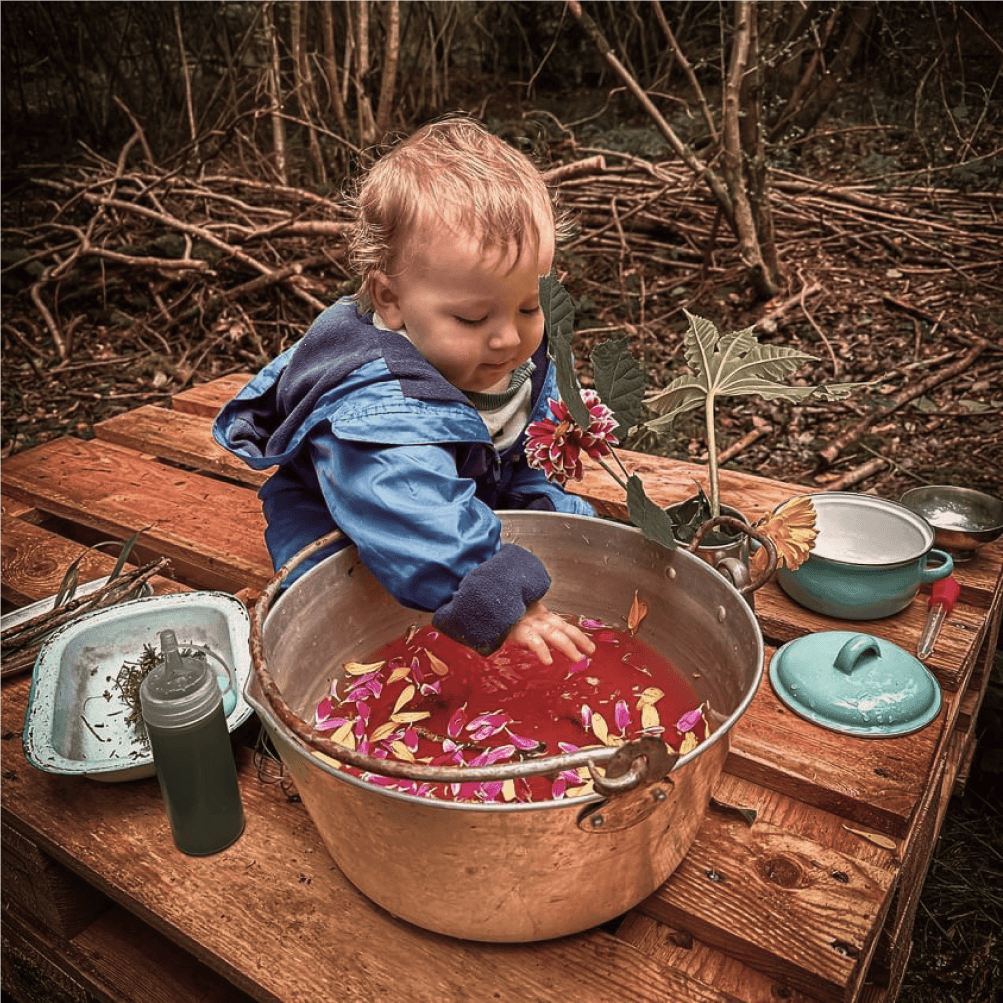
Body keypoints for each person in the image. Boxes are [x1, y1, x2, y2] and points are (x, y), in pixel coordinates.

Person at [213, 117, 595, 665]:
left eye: (529, 306)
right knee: (360, 626)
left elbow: (528, 447)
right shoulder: (378, 401)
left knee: (569, 540)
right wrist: (500, 594)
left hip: (470, 492)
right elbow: (410, 506)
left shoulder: (508, 350)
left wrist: (552, 511)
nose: (509, 338)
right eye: (471, 317)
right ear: (390, 298)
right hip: (356, 524)